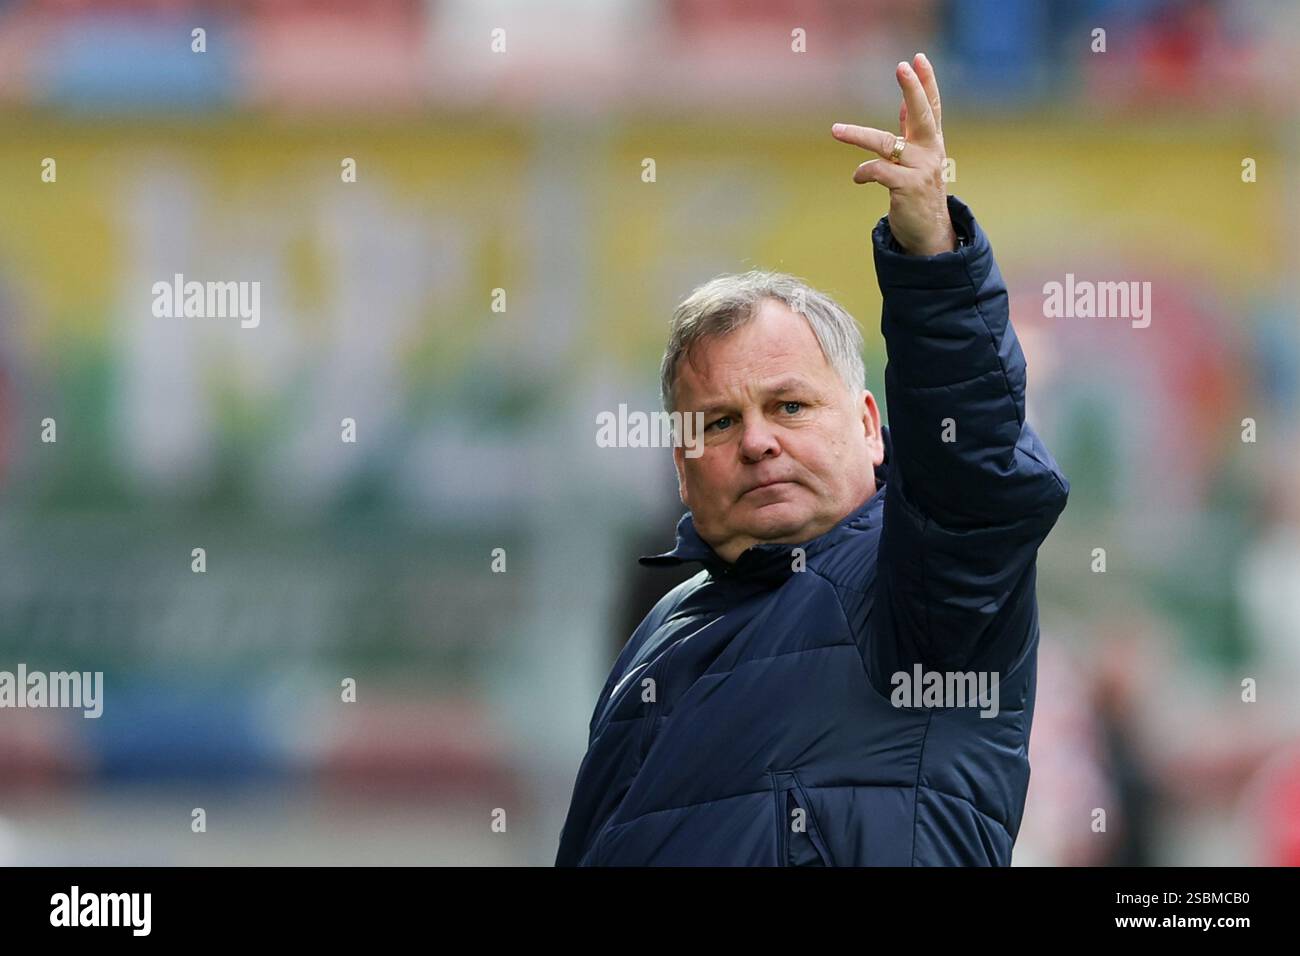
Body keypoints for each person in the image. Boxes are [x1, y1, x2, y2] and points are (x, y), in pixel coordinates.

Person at [555, 53, 1069, 866]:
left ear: (870, 426)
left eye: (789, 406)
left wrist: (932, 256)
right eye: (718, 422)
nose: (757, 440)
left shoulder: (913, 583)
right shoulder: (658, 632)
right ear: (683, 471)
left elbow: (979, 476)